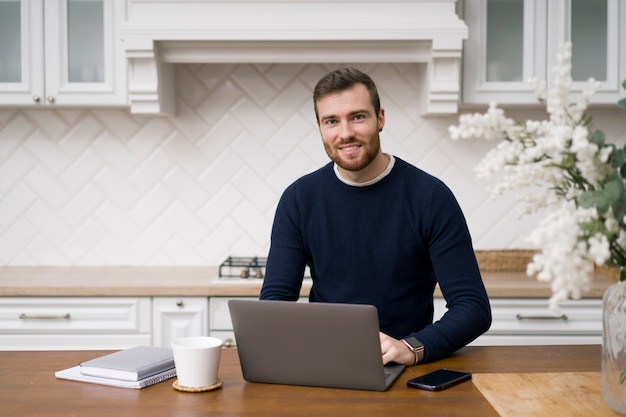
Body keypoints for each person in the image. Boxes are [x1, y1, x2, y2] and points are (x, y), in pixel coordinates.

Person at [259, 67, 491, 366]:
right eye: (332, 121)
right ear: (320, 128)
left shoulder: (430, 197)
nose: (345, 133)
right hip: (325, 363)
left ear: (380, 118)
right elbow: (276, 301)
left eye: (357, 117)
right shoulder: (299, 199)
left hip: (404, 367)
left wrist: (412, 347)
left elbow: (473, 308)